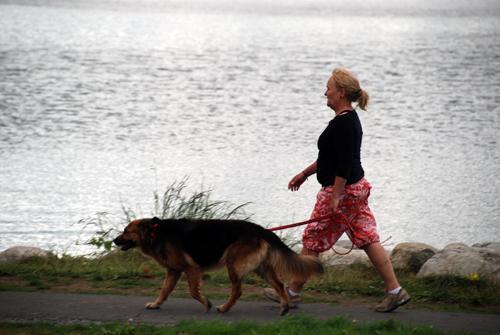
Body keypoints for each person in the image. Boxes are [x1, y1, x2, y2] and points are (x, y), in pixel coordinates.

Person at [264, 68, 410, 312]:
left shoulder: (343, 124)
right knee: (367, 238)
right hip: (356, 189)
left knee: (312, 240)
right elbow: (331, 157)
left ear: (340, 92)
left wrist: (335, 197)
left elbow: (341, 165)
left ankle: (291, 293)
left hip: (341, 191)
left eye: (329, 88)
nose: (325, 93)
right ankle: (395, 290)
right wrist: (304, 174)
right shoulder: (348, 120)